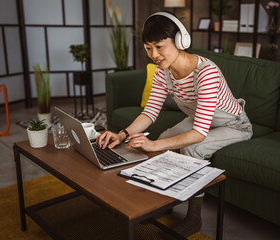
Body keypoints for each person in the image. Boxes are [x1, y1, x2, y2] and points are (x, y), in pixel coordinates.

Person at [97, 11, 253, 238]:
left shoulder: (205, 73)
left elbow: (198, 134)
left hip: (234, 124)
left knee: (191, 147)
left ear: (181, 41)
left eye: (160, 46)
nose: (154, 55)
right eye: (148, 48)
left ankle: (194, 217)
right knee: (163, 140)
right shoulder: (163, 72)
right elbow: (150, 112)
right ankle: (164, 202)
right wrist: (122, 134)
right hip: (201, 119)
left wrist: (151, 146)